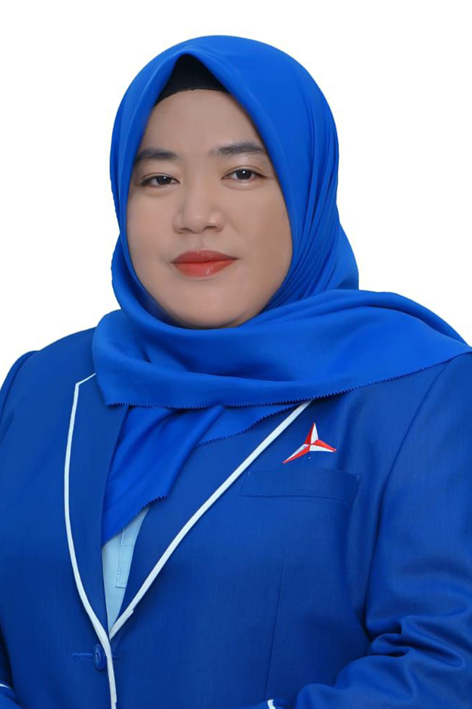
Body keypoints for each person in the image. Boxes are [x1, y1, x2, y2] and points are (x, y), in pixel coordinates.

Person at [0, 34, 471, 709]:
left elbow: (445, 664)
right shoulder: (41, 387)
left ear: (306, 191)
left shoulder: (418, 390)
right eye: (159, 179)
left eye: (242, 173)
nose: (196, 215)